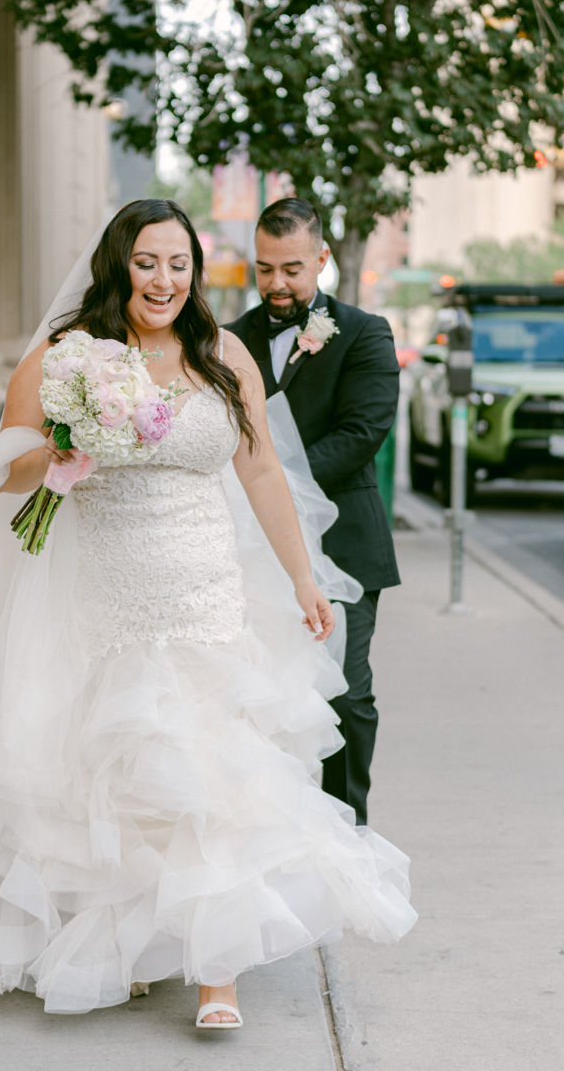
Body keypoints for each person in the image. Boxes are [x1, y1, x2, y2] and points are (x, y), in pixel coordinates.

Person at [0, 199, 416, 1027]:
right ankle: (127, 944)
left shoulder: (224, 353)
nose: (163, 280)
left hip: (206, 597)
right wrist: (55, 451)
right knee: (118, 784)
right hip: (103, 597)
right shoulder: (67, 357)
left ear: (196, 272)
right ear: (119, 265)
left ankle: (217, 973)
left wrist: (305, 578)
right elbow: (5, 472)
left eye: (178, 264)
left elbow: (263, 472)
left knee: (212, 778)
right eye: (146, 262)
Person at [227, 198, 401, 827]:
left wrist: (273, 485)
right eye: (265, 268)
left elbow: (362, 434)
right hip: (253, 549)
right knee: (262, 696)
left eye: (292, 269)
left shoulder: (365, 332)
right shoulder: (230, 340)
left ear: (321, 260)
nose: (276, 283)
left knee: (345, 695)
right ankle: (276, 832)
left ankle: (346, 830)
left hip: (345, 545)